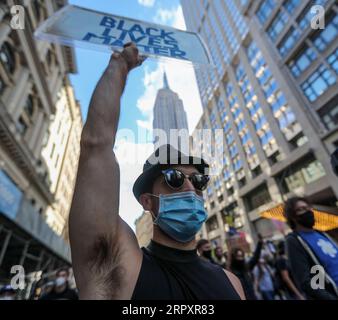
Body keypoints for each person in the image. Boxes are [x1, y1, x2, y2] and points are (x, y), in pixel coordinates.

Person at [69, 43, 245, 300]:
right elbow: (96, 146)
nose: (190, 188)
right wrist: (120, 65)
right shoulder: (118, 269)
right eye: (173, 179)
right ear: (148, 201)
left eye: (199, 181)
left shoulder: (233, 283)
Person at [284, 197, 338, 300]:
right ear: (293, 217)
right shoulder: (294, 241)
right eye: (301, 209)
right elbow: (306, 282)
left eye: (308, 208)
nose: (308, 211)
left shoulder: (322, 234)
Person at [228, 234, 264, 300]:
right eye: (238, 256)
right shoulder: (231, 274)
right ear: (233, 258)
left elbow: (254, 259)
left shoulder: (245, 268)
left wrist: (259, 243)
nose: (240, 258)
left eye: (242, 256)